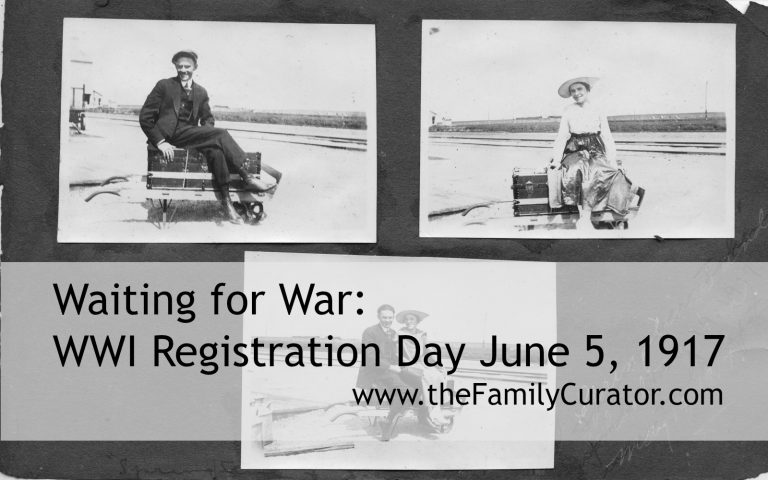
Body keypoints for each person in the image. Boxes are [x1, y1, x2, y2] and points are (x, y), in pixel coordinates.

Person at [139, 50, 274, 224]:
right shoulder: (164, 85)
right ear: (175, 67)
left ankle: (227, 203)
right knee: (221, 133)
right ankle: (246, 176)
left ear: (195, 67)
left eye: (187, 66)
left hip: (190, 135)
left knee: (216, 150)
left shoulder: (201, 92)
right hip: (170, 136)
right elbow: (145, 117)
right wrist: (161, 142)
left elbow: (208, 119)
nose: (183, 70)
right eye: (179, 66)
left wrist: (206, 137)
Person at [548, 76, 644, 230]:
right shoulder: (568, 110)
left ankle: (597, 213)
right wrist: (557, 160)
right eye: (573, 91)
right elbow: (562, 136)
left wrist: (612, 160)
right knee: (577, 169)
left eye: (580, 89)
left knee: (602, 170)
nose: (576, 93)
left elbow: (606, 135)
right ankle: (584, 217)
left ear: (587, 90)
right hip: (575, 148)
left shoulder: (598, 108)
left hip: (596, 148)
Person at [356, 304, 423, 441]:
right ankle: (388, 422)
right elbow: (370, 356)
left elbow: (397, 354)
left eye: (390, 318)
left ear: (393, 318)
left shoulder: (393, 333)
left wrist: (408, 365)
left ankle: (415, 414)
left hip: (391, 370)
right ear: (378, 317)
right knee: (407, 391)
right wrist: (391, 367)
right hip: (374, 371)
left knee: (419, 382)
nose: (387, 320)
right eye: (384, 317)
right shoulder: (370, 332)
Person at [396, 310, 450, 427]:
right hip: (406, 365)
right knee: (427, 375)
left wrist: (439, 365)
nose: (409, 321)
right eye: (407, 319)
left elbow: (428, 351)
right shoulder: (399, 334)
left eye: (412, 319)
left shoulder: (422, 334)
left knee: (438, 374)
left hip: (420, 364)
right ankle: (432, 414)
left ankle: (435, 411)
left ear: (417, 321)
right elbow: (397, 353)